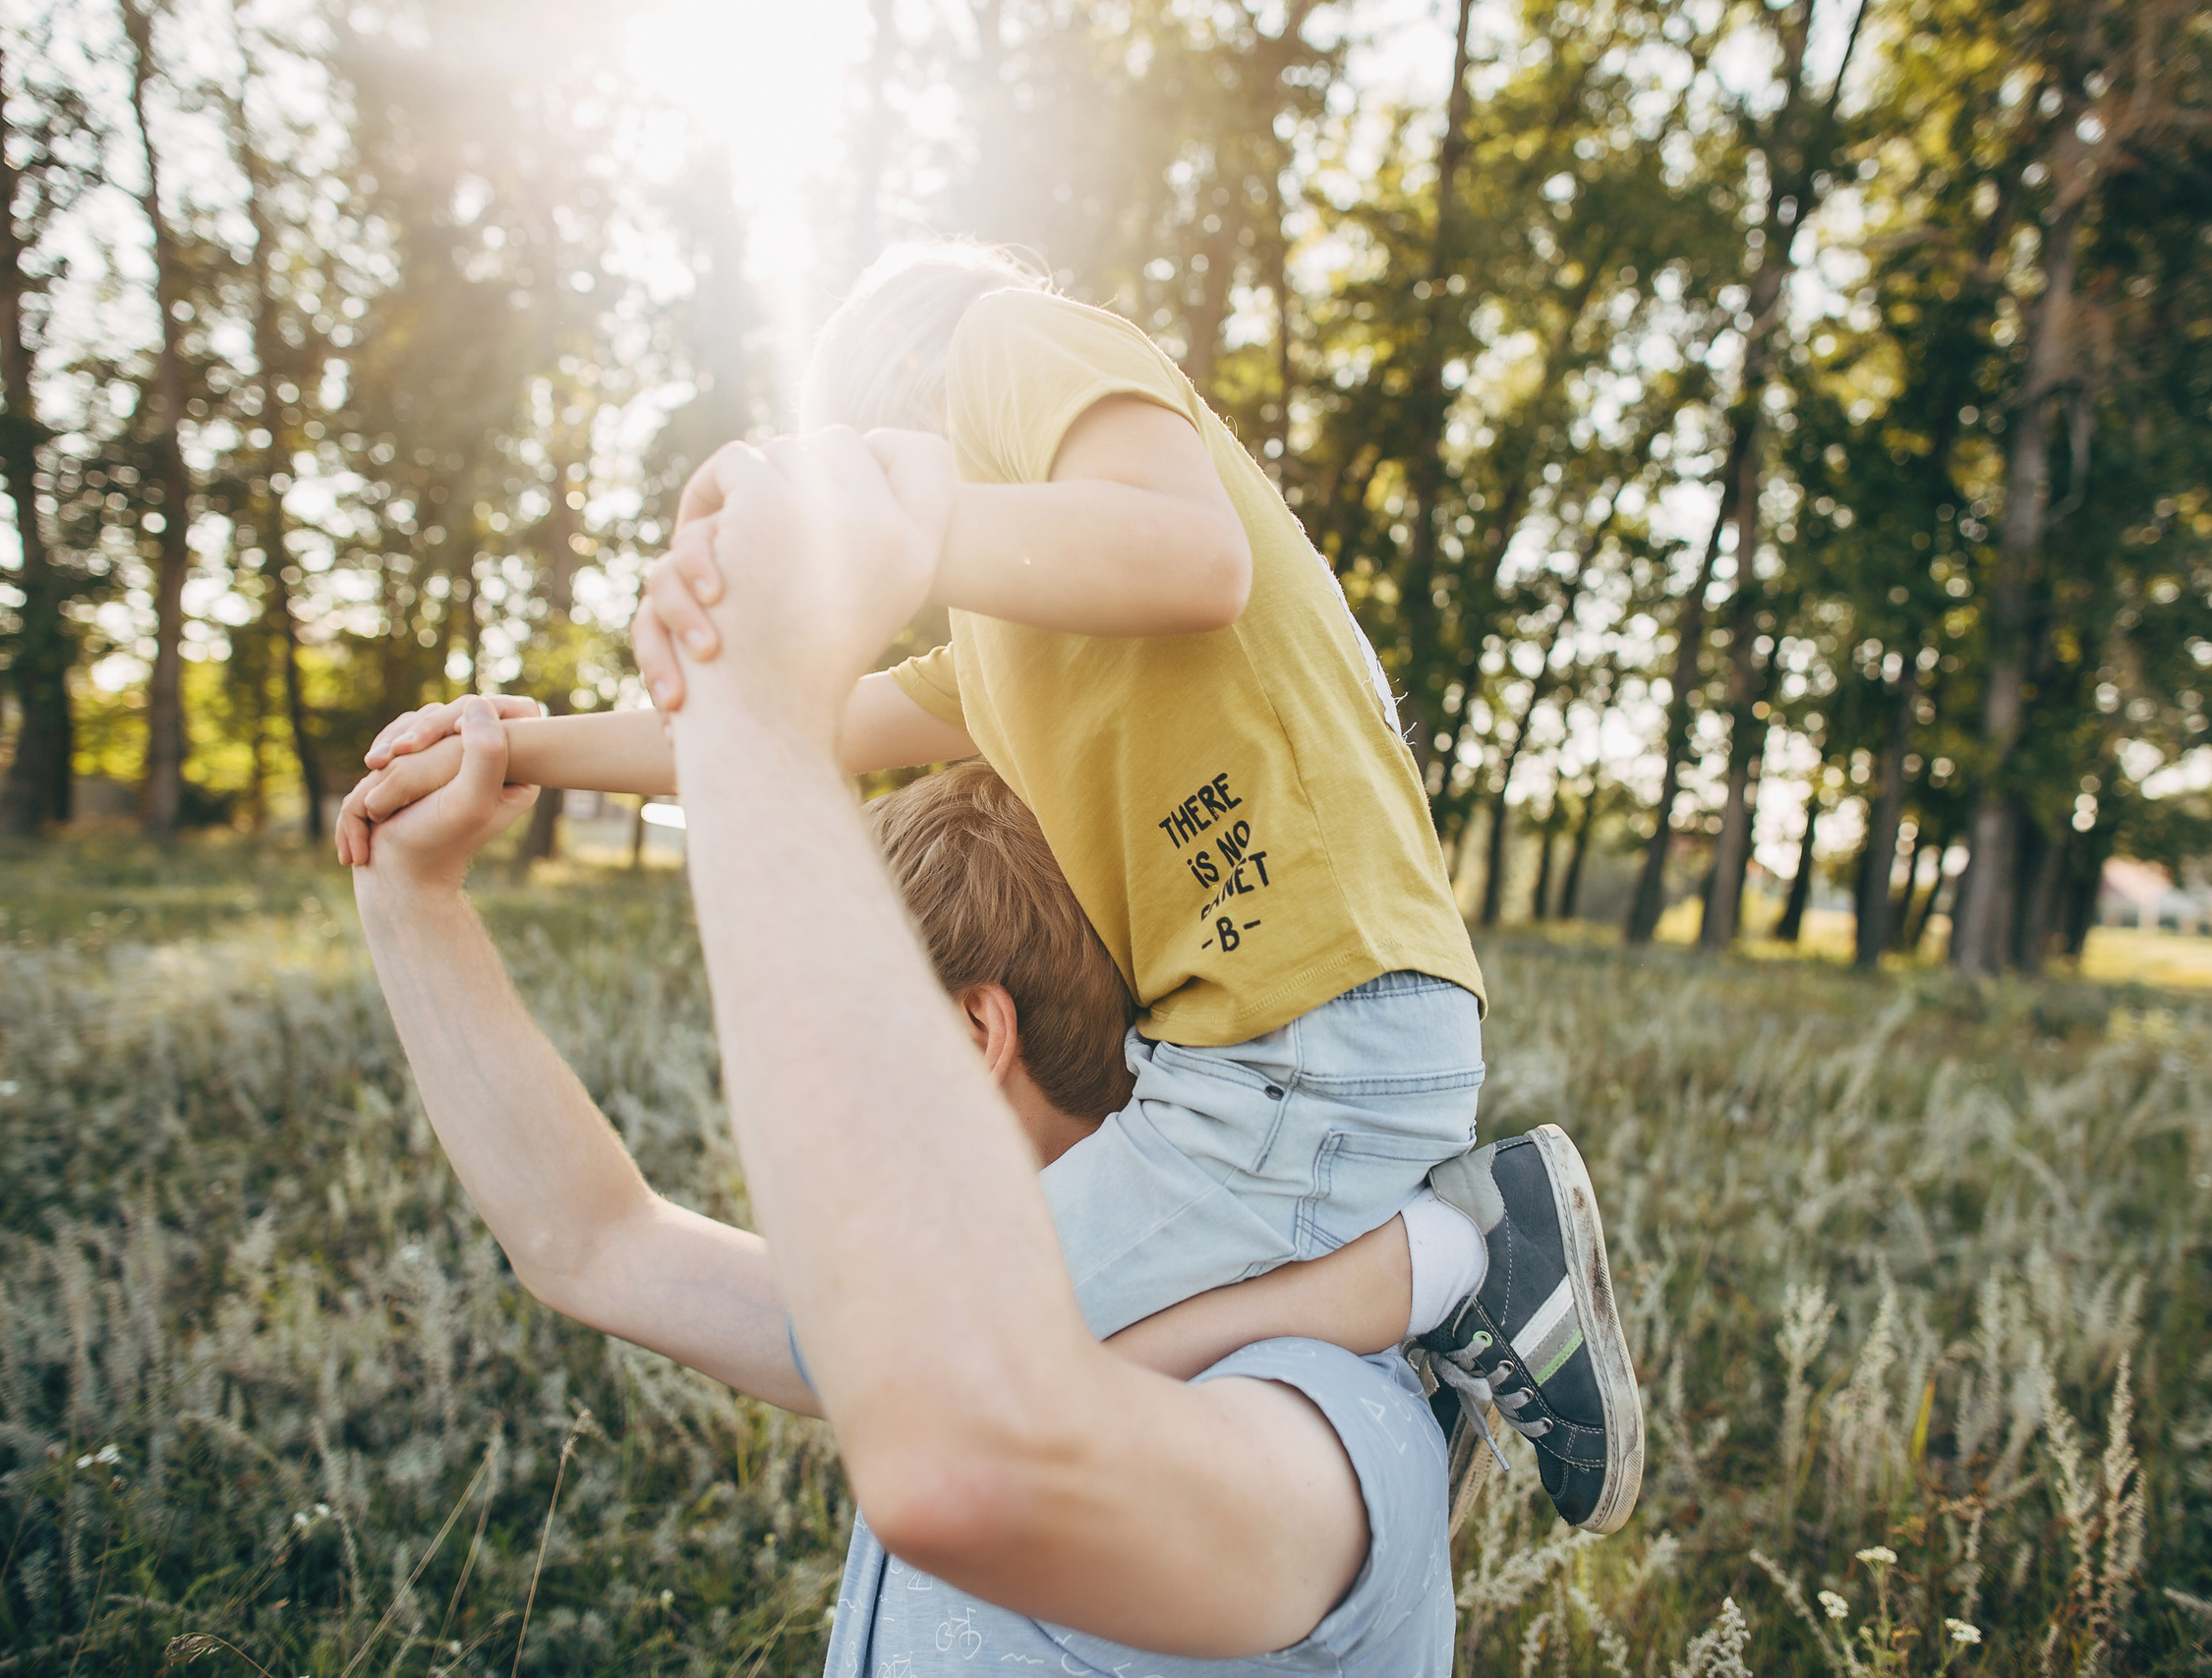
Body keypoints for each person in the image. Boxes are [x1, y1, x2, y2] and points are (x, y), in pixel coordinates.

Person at [339, 241, 1641, 1530]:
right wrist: (513, 745)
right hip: (1285, 1051)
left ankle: (1452, 1264)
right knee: (950, 1369)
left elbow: (1197, 553)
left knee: (919, 1358)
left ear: (898, 397)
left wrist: (876, 518)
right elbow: (767, 717)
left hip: (1304, 1041)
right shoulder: (1007, 648)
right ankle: (1419, 1295)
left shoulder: (1014, 342)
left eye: (862, 455)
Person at [349, 688, 1450, 1667]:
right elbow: (592, 1244)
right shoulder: (958, 1317)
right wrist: (411, 889)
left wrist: (1394, 1282)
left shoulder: (1314, 1423)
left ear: (974, 1029)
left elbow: (958, 1462)